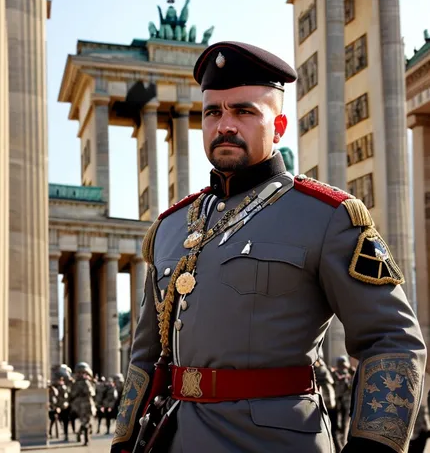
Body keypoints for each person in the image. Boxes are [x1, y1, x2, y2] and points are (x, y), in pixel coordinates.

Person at [111, 41, 427, 453]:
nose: (225, 125)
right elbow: (144, 355)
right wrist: (124, 438)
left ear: (277, 126)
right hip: (177, 437)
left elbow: (392, 339)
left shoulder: (328, 216)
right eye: (213, 112)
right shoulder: (171, 226)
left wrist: (373, 445)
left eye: (243, 111)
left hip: (275, 440)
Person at [314, 358, 340, 451]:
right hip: (332, 404)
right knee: (333, 432)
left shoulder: (319, 372)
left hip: (327, 405)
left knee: (330, 432)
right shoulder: (326, 373)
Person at [70, 362, 96, 446]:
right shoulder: (77, 383)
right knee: (86, 421)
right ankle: (86, 439)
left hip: (88, 403)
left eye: (83, 373)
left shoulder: (87, 382)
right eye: (80, 373)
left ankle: (79, 434)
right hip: (81, 405)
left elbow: (92, 393)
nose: (82, 374)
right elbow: (90, 392)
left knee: (87, 422)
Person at [333, 355, 354, 448]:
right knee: (342, 426)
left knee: (343, 426)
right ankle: (341, 444)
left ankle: (341, 444)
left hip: (342, 402)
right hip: (340, 402)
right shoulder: (337, 375)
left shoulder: (346, 375)